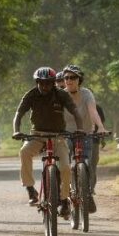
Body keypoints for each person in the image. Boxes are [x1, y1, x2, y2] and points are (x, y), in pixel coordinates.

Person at [12, 67, 85, 219]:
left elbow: (75, 111)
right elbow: (19, 113)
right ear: (37, 82)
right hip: (37, 135)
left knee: (65, 167)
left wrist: (80, 129)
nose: (45, 86)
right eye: (41, 83)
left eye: (48, 83)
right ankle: (30, 189)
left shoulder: (62, 94)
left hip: (58, 137)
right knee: (24, 152)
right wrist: (16, 130)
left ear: (53, 83)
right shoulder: (31, 95)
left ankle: (64, 201)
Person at [61, 64, 107, 194]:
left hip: (85, 133)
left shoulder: (87, 94)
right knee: (65, 159)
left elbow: (93, 111)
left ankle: (87, 193)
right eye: (66, 78)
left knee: (88, 163)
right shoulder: (61, 95)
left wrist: (101, 127)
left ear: (79, 80)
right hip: (66, 133)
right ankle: (65, 187)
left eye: (73, 77)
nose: (69, 80)